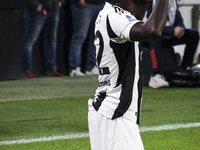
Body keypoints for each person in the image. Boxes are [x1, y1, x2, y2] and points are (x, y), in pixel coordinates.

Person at [88, 0, 169, 149]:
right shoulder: (116, 17)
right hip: (116, 114)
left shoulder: (111, 13)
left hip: (108, 112)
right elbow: (153, 30)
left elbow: (138, 12)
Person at [142, 0, 199, 88]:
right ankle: (154, 74)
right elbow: (151, 26)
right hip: (148, 36)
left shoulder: (173, 1)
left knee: (193, 35)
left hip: (167, 34)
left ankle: (184, 67)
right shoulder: (150, 2)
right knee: (157, 37)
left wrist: (180, 29)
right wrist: (172, 31)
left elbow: (178, 18)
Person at [22, 0, 63, 78]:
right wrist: (35, 4)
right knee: (29, 41)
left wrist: (60, 2)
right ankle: (27, 70)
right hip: (39, 8)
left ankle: (51, 68)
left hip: (54, 8)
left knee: (51, 40)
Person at [68, 0, 105, 77]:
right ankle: (74, 68)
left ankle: (91, 67)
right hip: (84, 5)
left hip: (100, 4)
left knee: (96, 36)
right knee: (79, 37)